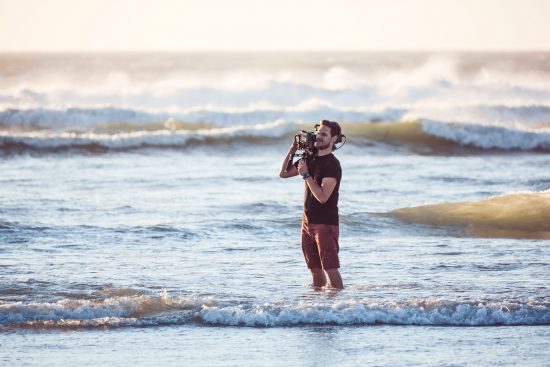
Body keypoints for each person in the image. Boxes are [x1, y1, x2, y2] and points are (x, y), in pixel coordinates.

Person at [279, 119, 344, 289]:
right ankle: (317, 308)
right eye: (318, 133)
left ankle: (340, 310)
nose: (318, 137)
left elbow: (322, 197)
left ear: (334, 139)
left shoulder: (332, 164)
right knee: (314, 269)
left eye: (324, 134)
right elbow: (284, 174)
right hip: (307, 222)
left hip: (325, 223)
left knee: (330, 268)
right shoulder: (309, 158)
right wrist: (292, 150)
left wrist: (306, 175)